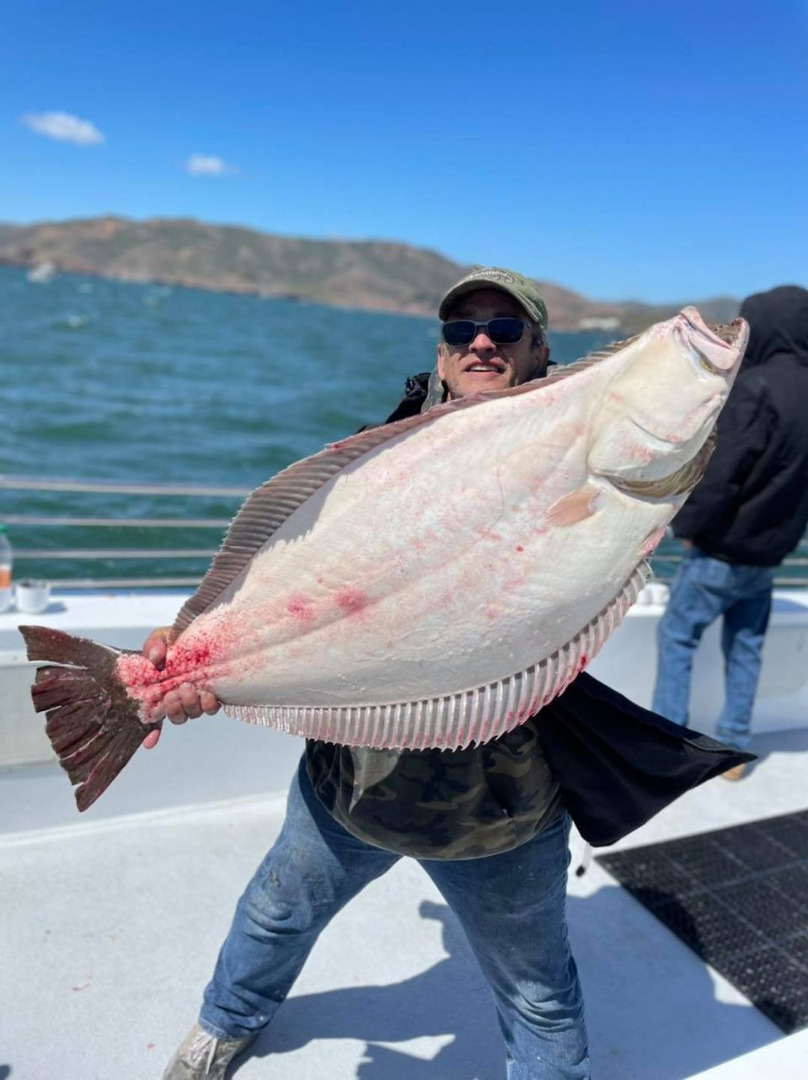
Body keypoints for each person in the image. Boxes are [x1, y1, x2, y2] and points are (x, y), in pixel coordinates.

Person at [145, 268, 749, 1080]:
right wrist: (196, 646)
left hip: (500, 811)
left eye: (505, 329)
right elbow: (299, 580)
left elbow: (629, 513)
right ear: (439, 351)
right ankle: (228, 1019)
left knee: (537, 994)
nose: (481, 342)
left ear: (541, 351)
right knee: (274, 914)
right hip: (350, 780)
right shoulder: (378, 452)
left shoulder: (595, 467)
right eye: (462, 328)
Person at [652, 285, 808, 780]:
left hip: (722, 552)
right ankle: (735, 748)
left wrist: (690, 528)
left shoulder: (754, 387)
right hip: (769, 555)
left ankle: (668, 747)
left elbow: (722, 475)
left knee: (677, 635)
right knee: (745, 647)